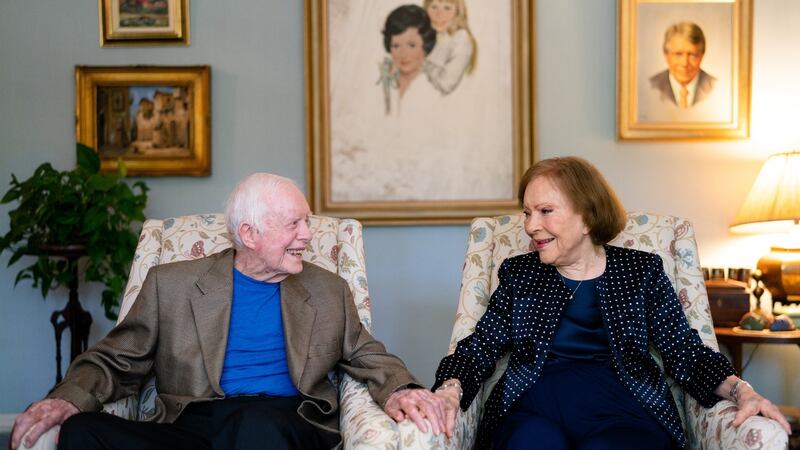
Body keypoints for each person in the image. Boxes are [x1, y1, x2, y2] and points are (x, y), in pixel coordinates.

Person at [11, 173, 448, 450]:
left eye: (308, 222)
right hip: (191, 423)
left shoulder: (326, 288)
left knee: (253, 425)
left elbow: (369, 354)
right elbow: (116, 359)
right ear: (249, 233)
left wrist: (399, 390)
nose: (308, 235)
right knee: (83, 434)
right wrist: (66, 400)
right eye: (294, 223)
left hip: (281, 421)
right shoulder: (173, 284)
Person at [431, 157, 791, 449]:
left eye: (544, 211)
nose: (530, 226)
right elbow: (478, 348)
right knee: (532, 443)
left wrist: (742, 390)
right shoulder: (520, 273)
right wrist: (450, 390)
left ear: (586, 217)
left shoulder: (640, 271)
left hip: (624, 410)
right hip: (533, 408)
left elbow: (685, 353)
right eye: (527, 213)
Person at [378, 4, 437, 115]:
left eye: (411, 45)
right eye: (396, 46)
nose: (403, 54)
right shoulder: (384, 83)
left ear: (426, 44)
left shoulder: (435, 87)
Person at [650, 22, 715, 108]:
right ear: (666, 55)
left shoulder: (717, 88)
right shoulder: (651, 86)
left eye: (692, 55)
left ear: (702, 56)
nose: (685, 63)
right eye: (678, 54)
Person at [423, 0, 477, 95]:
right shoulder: (433, 35)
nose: (439, 14)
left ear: (458, 12)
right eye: (434, 7)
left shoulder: (461, 39)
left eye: (447, 8)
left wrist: (421, 65)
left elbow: (446, 84)